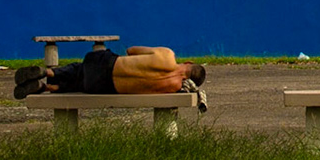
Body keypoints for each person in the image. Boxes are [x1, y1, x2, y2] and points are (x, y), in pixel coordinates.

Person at [15, 46, 208, 111]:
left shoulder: (167, 55)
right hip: (102, 87)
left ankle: (48, 73)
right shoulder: (173, 87)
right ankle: (46, 88)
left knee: (80, 69)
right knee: (80, 83)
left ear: (188, 63)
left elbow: (131, 50)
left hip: (103, 64)